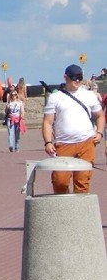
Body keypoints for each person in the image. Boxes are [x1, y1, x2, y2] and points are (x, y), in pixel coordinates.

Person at [42, 64, 105, 193]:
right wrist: (48, 142)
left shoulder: (89, 95)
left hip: (86, 142)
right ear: (65, 77)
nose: (77, 81)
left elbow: (100, 116)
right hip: (64, 144)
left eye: (80, 78)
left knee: (82, 181)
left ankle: (80, 211)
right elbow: (47, 122)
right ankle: (63, 209)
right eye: (74, 78)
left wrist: (99, 133)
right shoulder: (55, 97)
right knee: (60, 181)